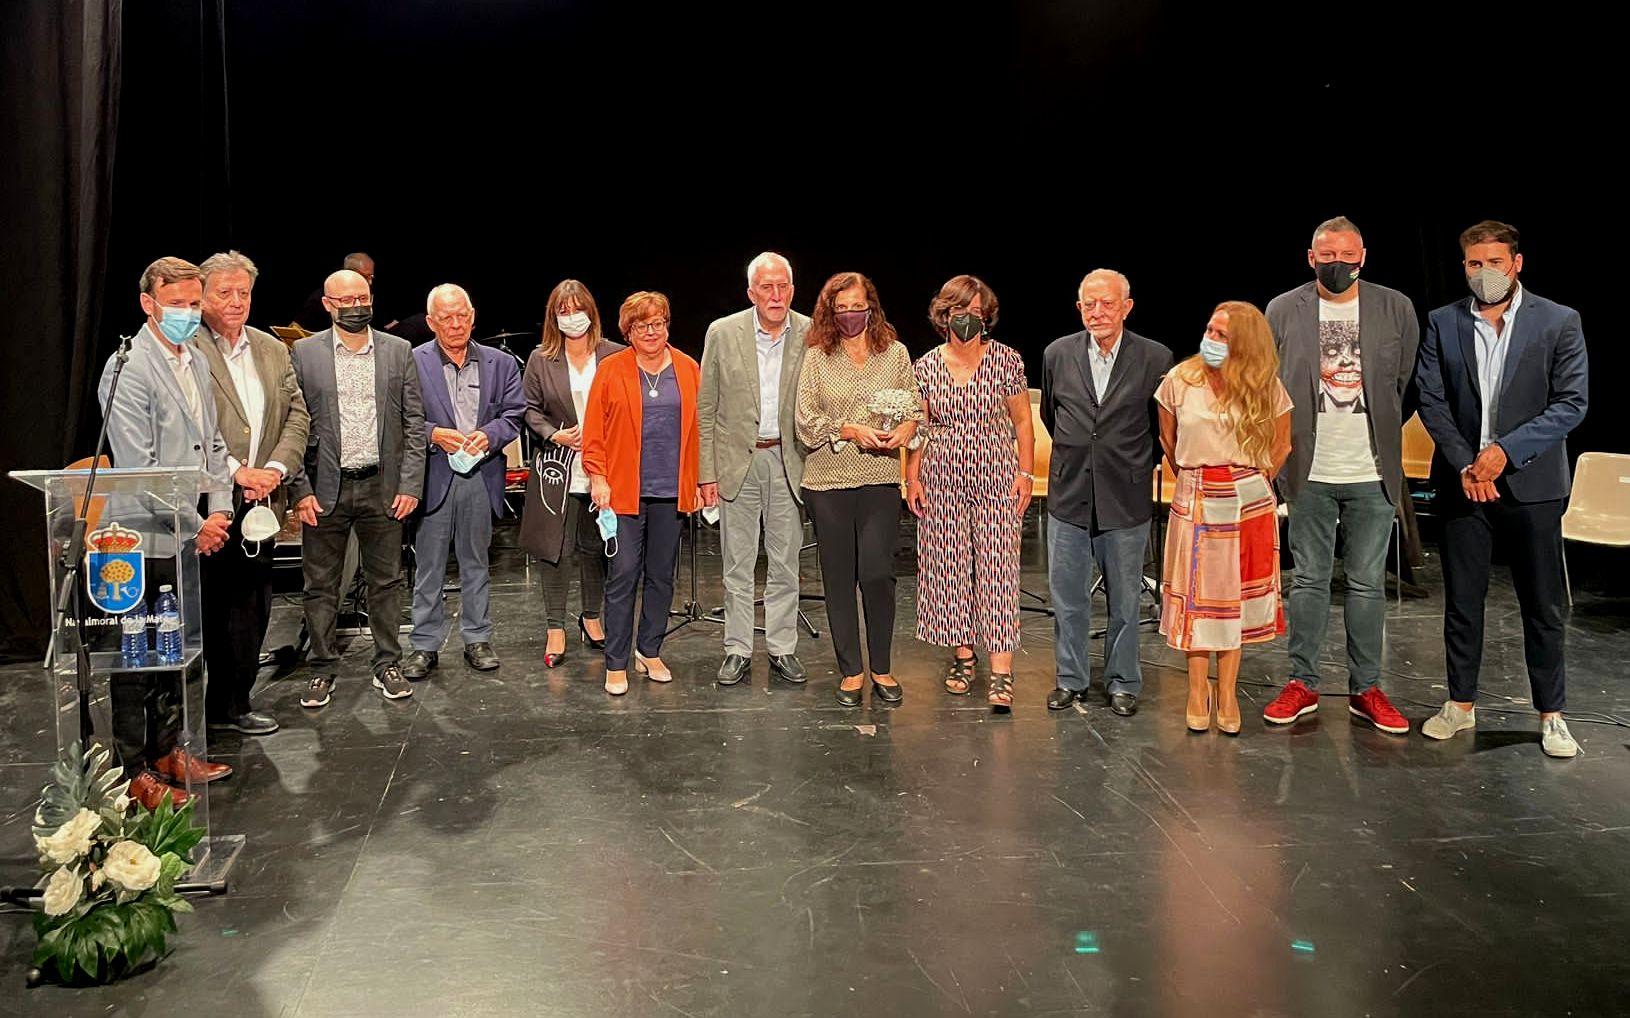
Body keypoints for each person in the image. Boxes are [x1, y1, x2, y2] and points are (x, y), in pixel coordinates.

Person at [1414, 220, 1588, 758]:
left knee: (1542, 605)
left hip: (1532, 485)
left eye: (1494, 262)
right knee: (1463, 602)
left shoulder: (1558, 321)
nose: (1484, 272)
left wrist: (1504, 453)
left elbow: (1571, 403)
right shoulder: (1442, 322)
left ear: (1516, 263)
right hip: (1465, 484)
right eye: (1474, 263)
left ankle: (1552, 715)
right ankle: (1460, 704)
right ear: (1463, 266)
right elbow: (1431, 399)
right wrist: (1468, 464)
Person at [1263, 216, 1418, 735]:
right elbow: (1270, 384)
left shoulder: (1395, 307)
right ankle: (1302, 682)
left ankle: (1366, 688)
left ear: (1363, 257)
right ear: (1311, 258)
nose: (1338, 265)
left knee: (1367, 583)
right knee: (1308, 580)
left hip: (1372, 471)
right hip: (1308, 469)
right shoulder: (1283, 309)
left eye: (1347, 256)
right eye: (1327, 257)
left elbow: (1400, 381)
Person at [98, 256, 235, 807]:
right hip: (139, 538)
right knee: (137, 657)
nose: (188, 313)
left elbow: (214, 445)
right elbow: (140, 467)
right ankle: (135, 770)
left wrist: (220, 509)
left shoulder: (196, 359)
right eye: (176, 304)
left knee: (176, 647)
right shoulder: (128, 368)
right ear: (148, 304)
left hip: (188, 533)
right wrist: (197, 524)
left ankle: (169, 749)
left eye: (194, 304)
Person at [1156, 301, 1293, 735]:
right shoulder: (1180, 379)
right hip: (1198, 495)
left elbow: (1282, 444)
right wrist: (1198, 479)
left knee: (1233, 604)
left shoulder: (1265, 385)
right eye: (1210, 331)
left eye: (1222, 335)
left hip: (1247, 502)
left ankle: (1228, 692)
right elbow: (1168, 439)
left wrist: (1252, 482)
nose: (1211, 340)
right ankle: (1198, 690)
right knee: (1198, 602)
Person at [1040, 269, 1173, 718]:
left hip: (1125, 494)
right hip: (1070, 493)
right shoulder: (1058, 353)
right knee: (1067, 597)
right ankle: (1070, 679)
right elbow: (1051, 414)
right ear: (1079, 308)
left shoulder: (1155, 357)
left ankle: (1123, 681)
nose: (1097, 312)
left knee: (1125, 600)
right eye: (1089, 304)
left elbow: (1159, 428)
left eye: (1107, 303)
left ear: (1127, 307)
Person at [289, 269, 424, 707]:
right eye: (345, 300)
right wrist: (299, 489)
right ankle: (322, 667)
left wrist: (410, 484)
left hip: (383, 486)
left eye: (361, 297)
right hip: (324, 488)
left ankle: (387, 663)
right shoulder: (304, 353)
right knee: (320, 584)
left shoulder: (397, 350)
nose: (355, 306)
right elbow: (293, 425)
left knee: (386, 581)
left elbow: (414, 422)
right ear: (328, 305)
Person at [194, 250, 310, 736]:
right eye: (225, 292)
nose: (236, 301)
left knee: (252, 605)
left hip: (263, 498)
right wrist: (236, 471)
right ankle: (190, 714)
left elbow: (297, 414)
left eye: (243, 292)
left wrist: (275, 469)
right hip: (206, 502)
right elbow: (192, 427)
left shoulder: (271, 348)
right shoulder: (187, 349)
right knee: (208, 605)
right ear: (201, 296)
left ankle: (233, 703)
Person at [906, 275, 1034, 710]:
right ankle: (963, 656)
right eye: (961, 312)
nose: (969, 320)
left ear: (987, 317)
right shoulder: (925, 367)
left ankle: (1001, 669)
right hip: (942, 477)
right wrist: (913, 477)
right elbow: (920, 428)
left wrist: (1026, 472)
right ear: (945, 315)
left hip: (996, 475)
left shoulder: (1006, 360)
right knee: (948, 567)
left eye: (977, 313)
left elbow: (1022, 422)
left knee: (998, 567)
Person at [795, 272, 920, 707]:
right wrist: (849, 430)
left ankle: (881, 666)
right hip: (827, 480)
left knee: (877, 572)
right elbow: (805, 421)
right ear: (830, 312)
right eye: (842, 308)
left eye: (857, 307)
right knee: (839, 576)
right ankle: (851, 670)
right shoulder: (817, 356)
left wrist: (907, 428)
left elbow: (914, 408)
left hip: (879, 477)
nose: (850, 315)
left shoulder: (895, 353)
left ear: (872, 307)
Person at [698, 252, 812, 687]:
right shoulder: (722, 332)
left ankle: (782, 647)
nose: (776, 295)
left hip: (789, 460)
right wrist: (706, 473)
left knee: (785, 561)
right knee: (737, 563)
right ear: (751, 293)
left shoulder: (811, 332)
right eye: (767, 287)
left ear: (792, 290)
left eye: (783, 286)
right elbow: (706, 408)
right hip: (736, 463)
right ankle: (737, 648)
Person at [581, 292, 702, 695]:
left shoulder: (687, 368)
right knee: (624, 573)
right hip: (624, 491)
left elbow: (700, 429)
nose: (651, 332)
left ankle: (649, 650)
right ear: (628, 332)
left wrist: (702, 481)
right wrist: (598, 477)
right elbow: (593, 431)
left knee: (662, 576)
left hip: (671, 490)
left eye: (658, 323)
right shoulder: (611, 369)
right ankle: (616, 661)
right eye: (641, 326)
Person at [401, 284, 525, 679]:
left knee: (476, 562)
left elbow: (514, 414)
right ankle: (424, 645)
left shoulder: (500, 363)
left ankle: (477, 638)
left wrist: (489, 435)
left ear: (472, 317)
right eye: (446, 318)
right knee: (429, 566)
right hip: (433, 475)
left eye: (462, 316)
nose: (455, 324)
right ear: (431, 322)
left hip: (480, 475)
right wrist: (434, 434)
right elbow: (401, 417)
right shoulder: (412, 361)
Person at [519, 280, 625, 667]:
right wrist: (554, 434)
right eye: (563, 311)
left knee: (595, 547)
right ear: (554, 317)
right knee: (556, 548)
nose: (571, 317)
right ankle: (555, 627)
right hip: (557, 465)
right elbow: (528, 408)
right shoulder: (540, 358)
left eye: (577, 309)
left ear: (591, 312)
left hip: (604, 467)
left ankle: (592, 618)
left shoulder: (615, 354)